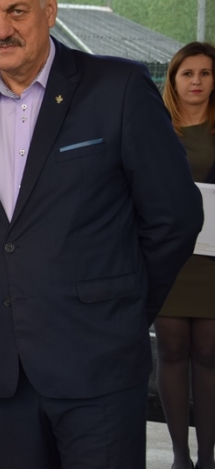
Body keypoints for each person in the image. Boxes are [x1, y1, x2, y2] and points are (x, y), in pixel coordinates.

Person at [0, 0, 203, 468]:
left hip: (98, 362)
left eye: (16, 11)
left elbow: (175, 216)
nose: (0, 30)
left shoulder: (118, 87)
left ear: (50, 9)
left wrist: (122, 306)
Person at [157, 41, 215, 469]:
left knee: (210, 354)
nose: (196, 81)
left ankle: (207, 457)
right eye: (187, 73)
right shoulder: (155, 128)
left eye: (205, 73)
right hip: (170, 260)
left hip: (212, 263)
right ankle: (180, 457)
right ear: (173, 80)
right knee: (172, 352)